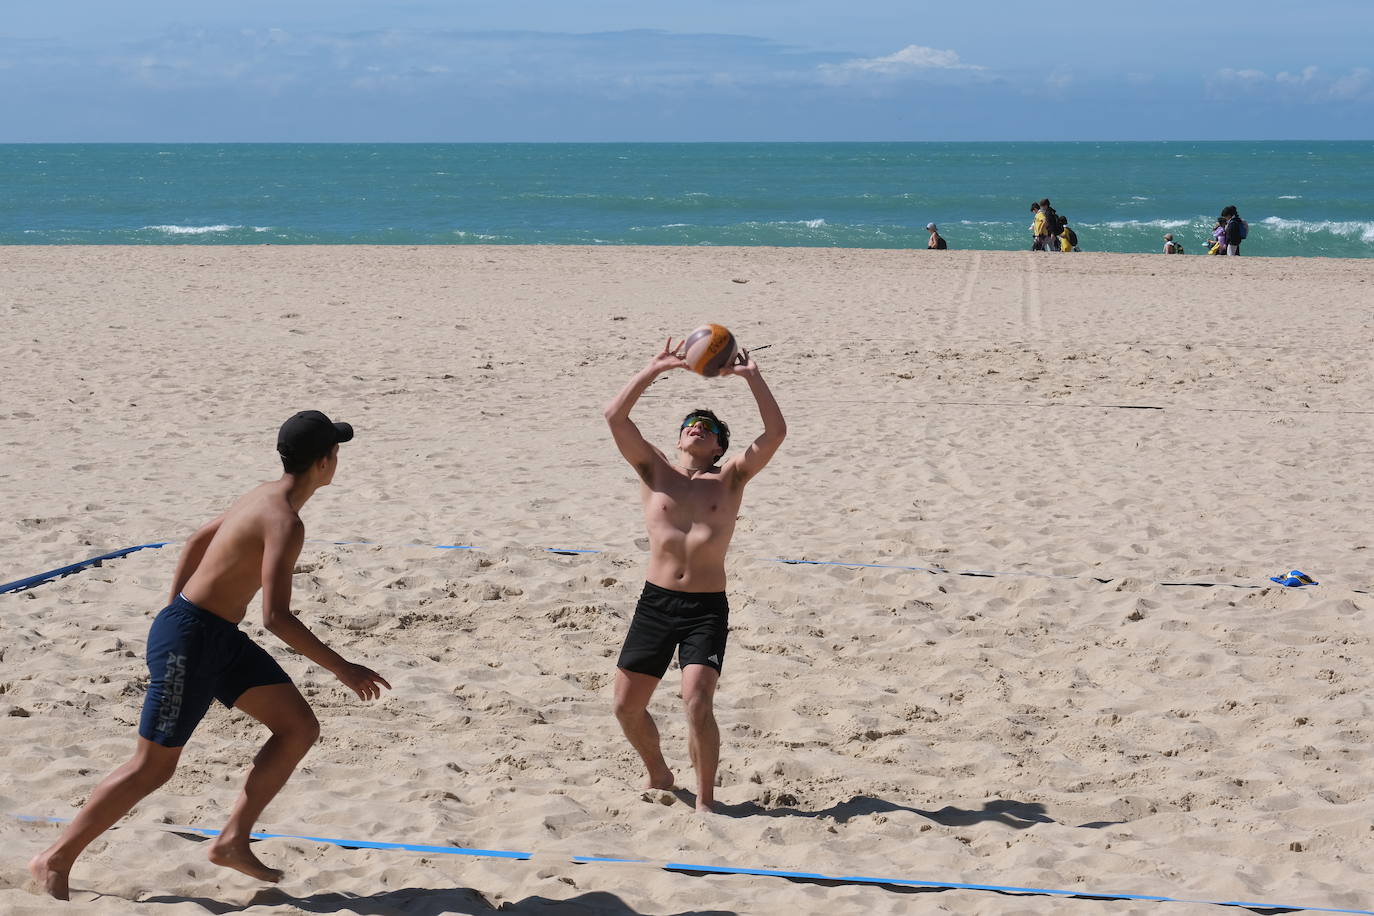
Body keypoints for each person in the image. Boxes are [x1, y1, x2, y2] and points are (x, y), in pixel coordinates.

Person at [29, 411, 390, 901]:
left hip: (212, 634)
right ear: (325, 462)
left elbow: (198, 539)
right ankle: (54, 858)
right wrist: (344, 669)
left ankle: (232, 840)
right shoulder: (285, 521)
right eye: (337, 450)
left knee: (298, 727)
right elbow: (276, 618)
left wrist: (175, 605)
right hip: (191, 640)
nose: (338, 458)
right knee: (152, 766)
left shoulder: (263, 493)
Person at [604, 339, 785, 813]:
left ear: (720, 446)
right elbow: (615, 417)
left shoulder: (731, 478)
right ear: (680, 439)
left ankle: (706, 802)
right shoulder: (654, 471)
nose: (698, 427)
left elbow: (775, 433)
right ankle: (659, 772)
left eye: (709, 427)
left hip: (704, 608)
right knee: (625, 706)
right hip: (655, 603)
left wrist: (752, 378)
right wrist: (653, 369)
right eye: (691, 423)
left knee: (697, 701)